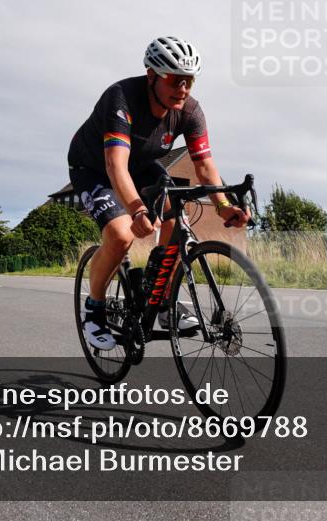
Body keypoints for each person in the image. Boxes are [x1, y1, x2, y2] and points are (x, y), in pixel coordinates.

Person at [68, 36, 250, 351]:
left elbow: (204, 165)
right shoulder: (121, 97)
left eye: (189, 80)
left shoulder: (190, 111)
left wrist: (223, 205)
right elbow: (115, 166)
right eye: (175, 80)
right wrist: (138, 210)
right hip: (94, 168)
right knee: (121, 235)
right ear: (151, 75)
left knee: (178, 220)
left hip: (142, 166)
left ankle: (163, 299)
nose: (183, 88)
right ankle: (94, 309)